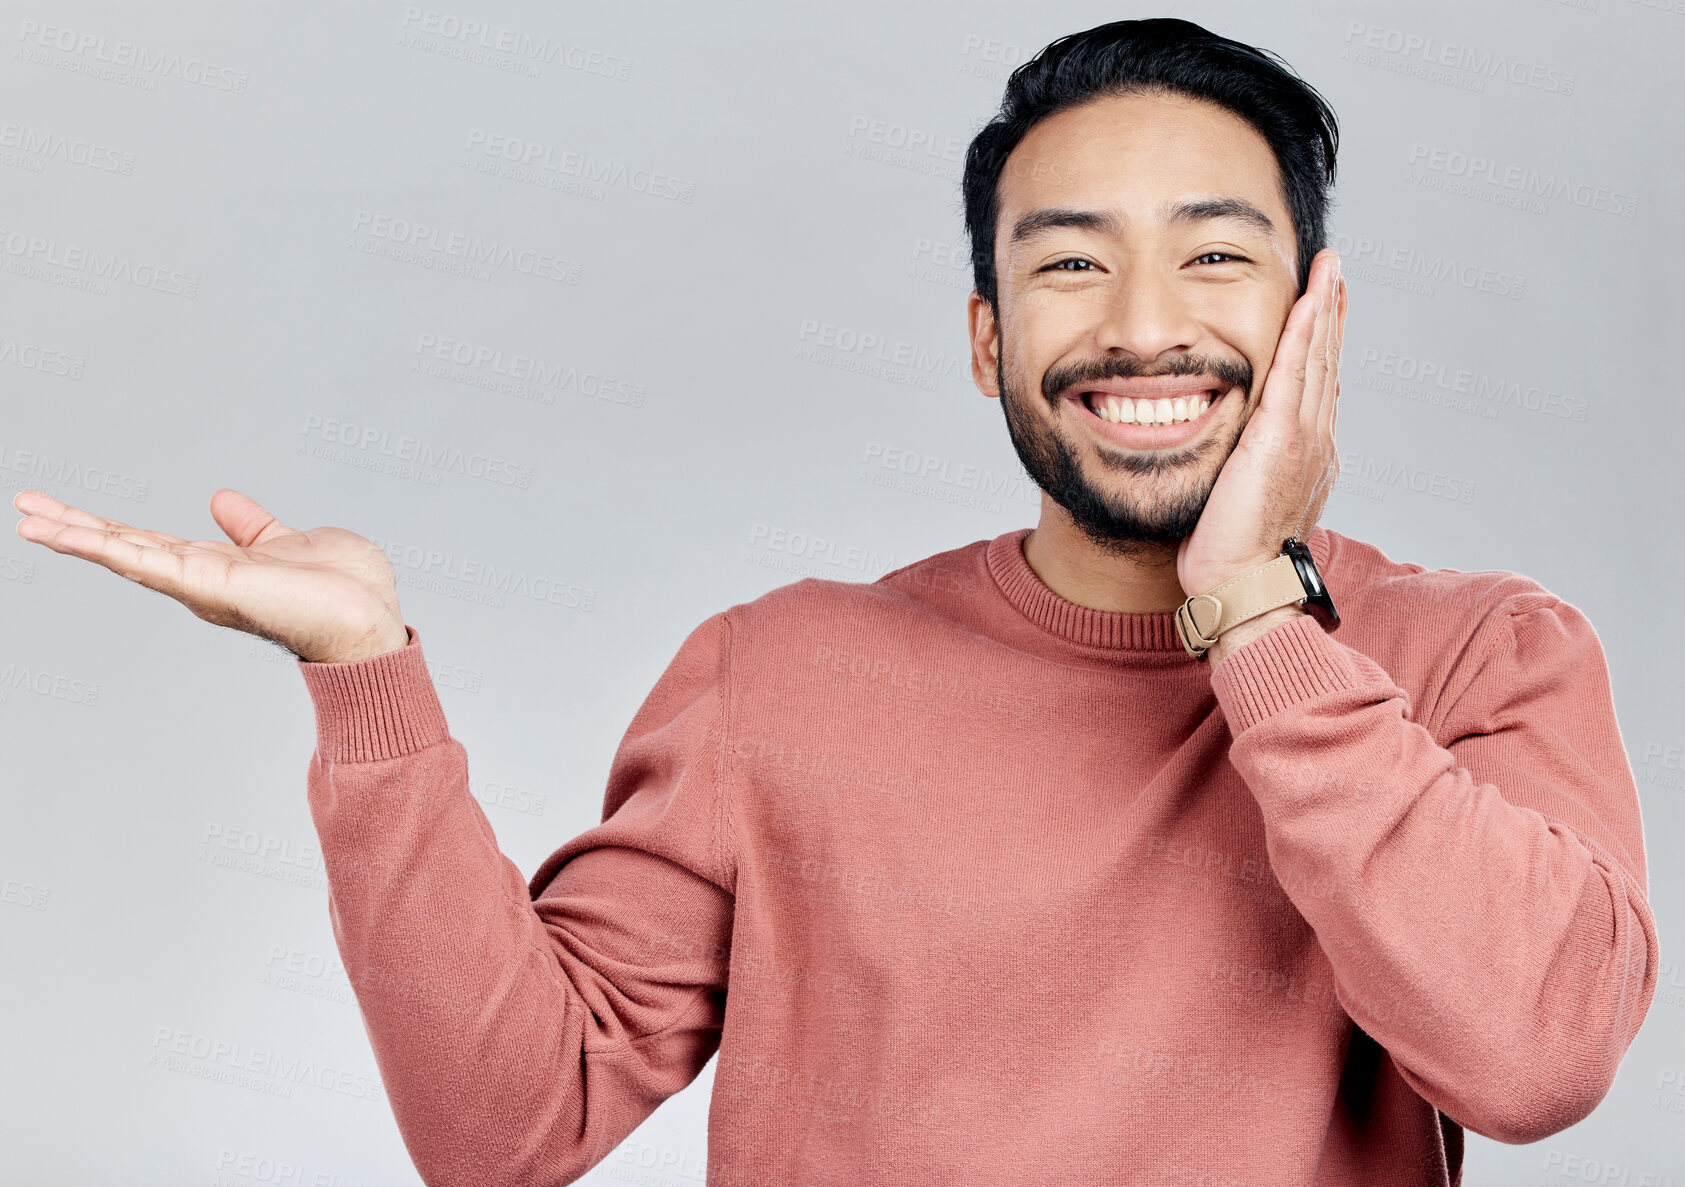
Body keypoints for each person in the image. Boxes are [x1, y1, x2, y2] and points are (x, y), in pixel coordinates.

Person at [12, 17, 1654, 1187]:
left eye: (1215, 256)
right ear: (983, 340)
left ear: (1317, 313)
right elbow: (504, 1128)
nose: (1141, 324)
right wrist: (366, 678)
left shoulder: (1479, 654)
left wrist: (1255, 616)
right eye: (1067, 262)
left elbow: (1533, 1062)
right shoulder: (775, 675)